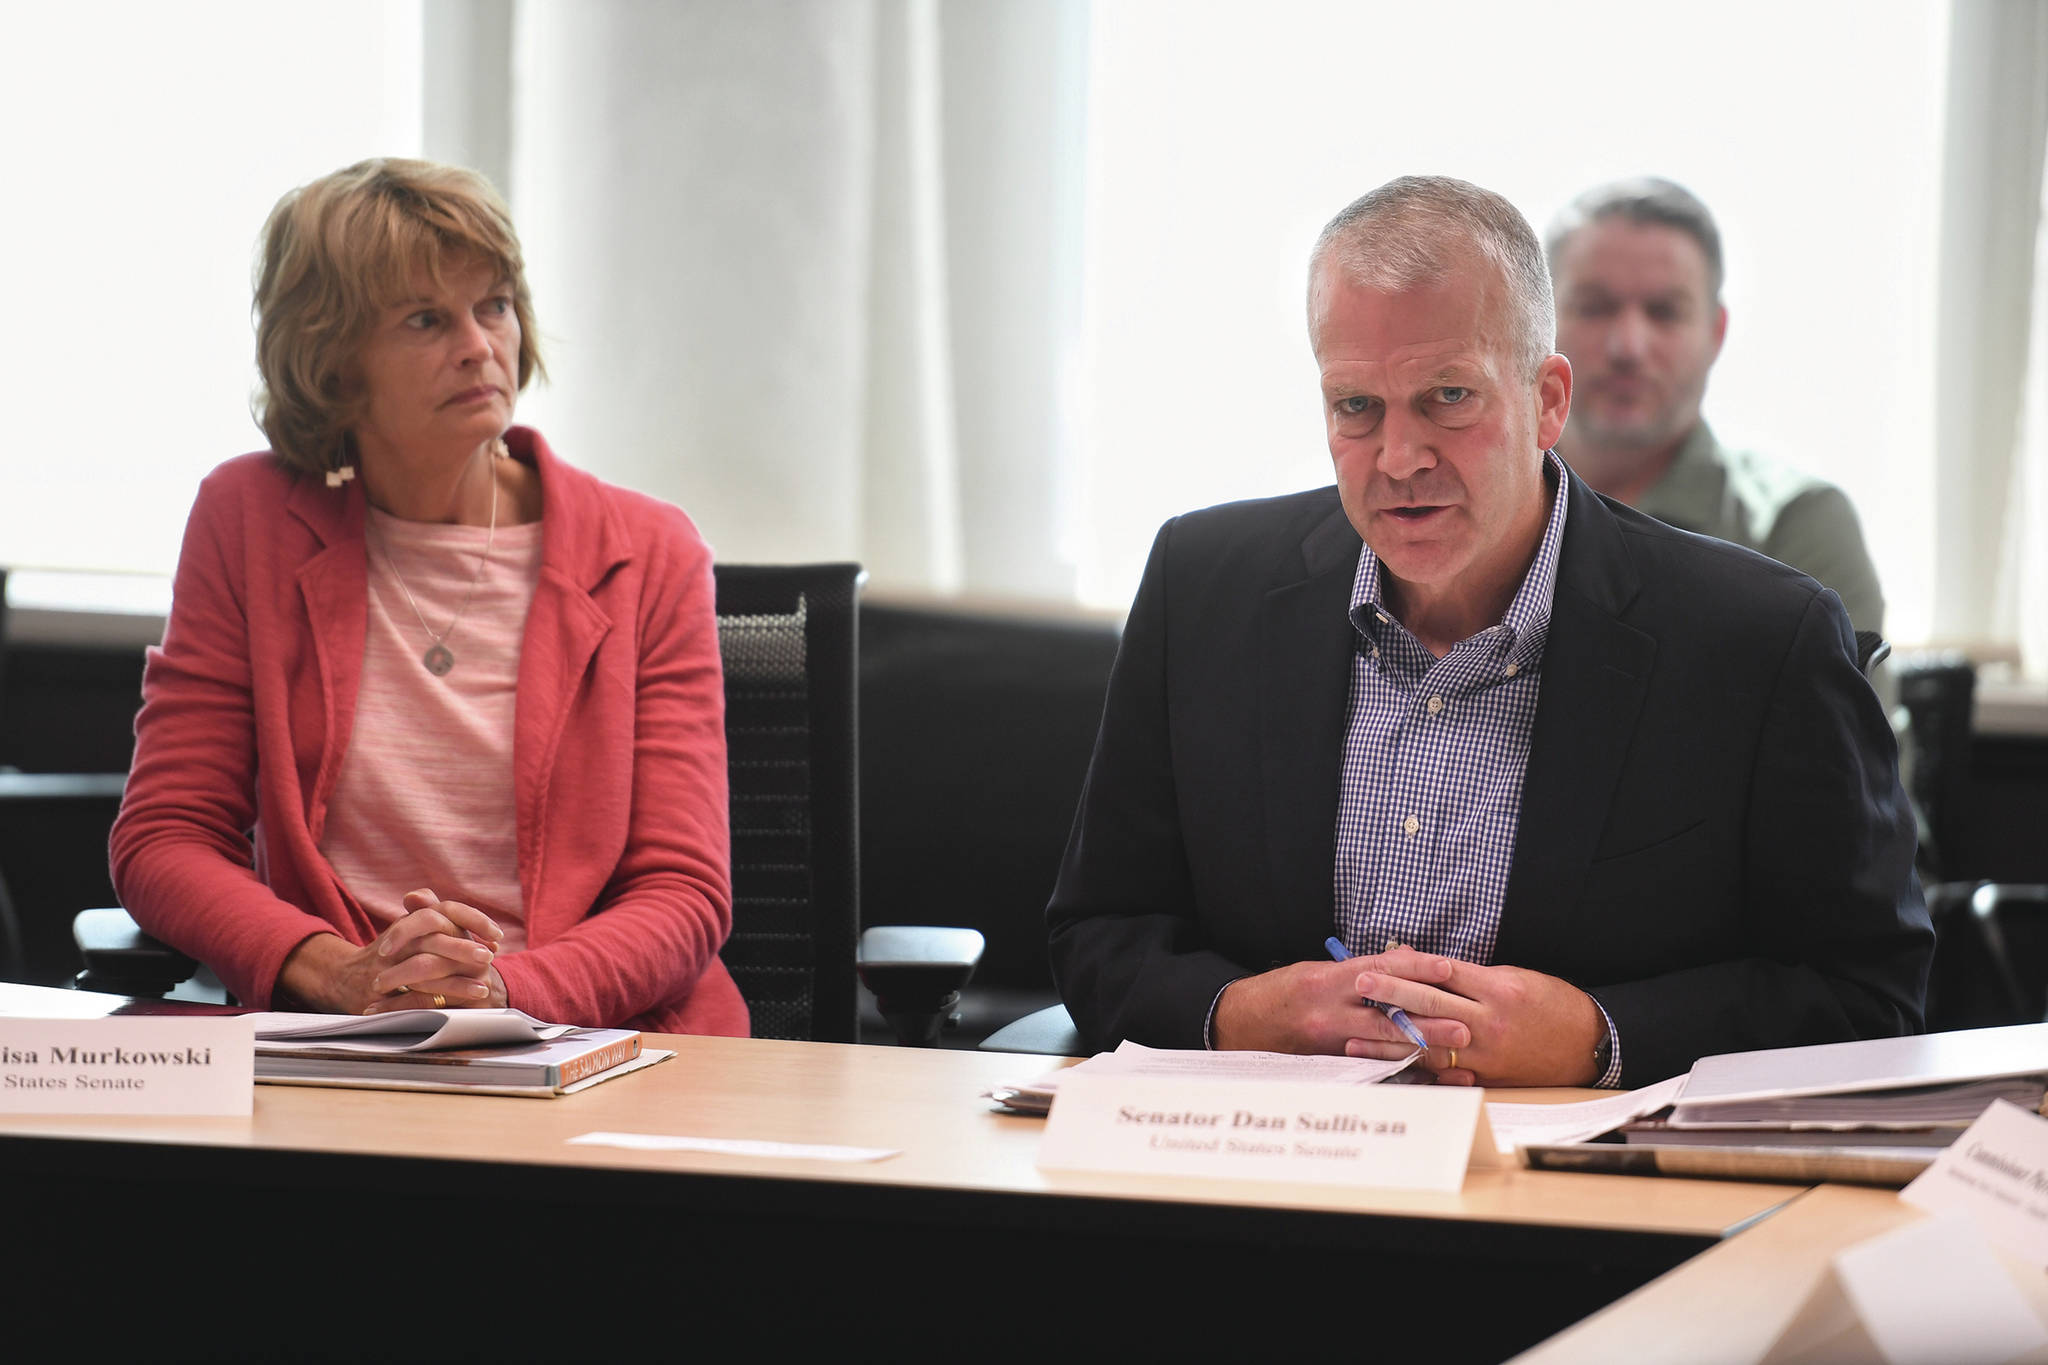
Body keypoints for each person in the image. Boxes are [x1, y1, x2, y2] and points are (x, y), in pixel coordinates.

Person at [1046, 176, 1929, 1088]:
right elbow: (1098, 930)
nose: (1399, 458)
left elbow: (1869, 995)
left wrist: (1600, 1037)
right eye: (1356, 406)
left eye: (1449, 397)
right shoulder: (1202, 585)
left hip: (1571, 1203)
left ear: (1549, 400)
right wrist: (1241, 1015)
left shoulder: (1761, 638)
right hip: (1264, 1172)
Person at [110, 158, 745, 1034]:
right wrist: (342, 975)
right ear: (332, 360)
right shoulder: (247, 517)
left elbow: (684, 890)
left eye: (494, 304)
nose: (480, 344)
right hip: (339, 1041)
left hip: (605, 1042)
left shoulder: (648, 551)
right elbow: (166, 837)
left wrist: (503, 996)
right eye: (425, 319)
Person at [1547, 176, 1885, 635]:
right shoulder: (1466, 508)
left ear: (1716, 332)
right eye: (1594, 307)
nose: (1627, 346)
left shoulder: (1793, 526)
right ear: (1539, 326)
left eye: (1665, 311)